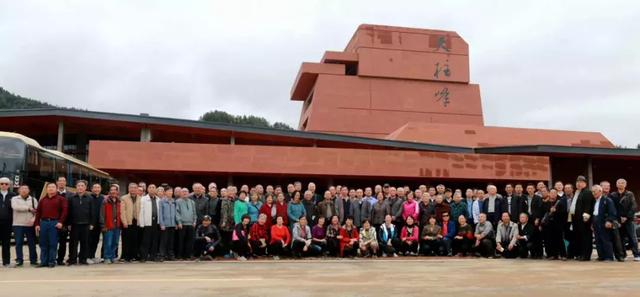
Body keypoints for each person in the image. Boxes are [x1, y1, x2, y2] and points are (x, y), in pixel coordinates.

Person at [35, 182, 68, 268]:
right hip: (43, 223)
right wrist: (37, 224)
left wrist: (60, 222)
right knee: (43, 243)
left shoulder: (61, 199)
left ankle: (51, 262)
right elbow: (38, 213)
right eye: (49, 187)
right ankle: (43, 262)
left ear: (56, 189)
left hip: (54, 223)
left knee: (53, 243)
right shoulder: (43, 200)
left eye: (53, 187)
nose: (50, 189)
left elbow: (64, 212)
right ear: (46, 189)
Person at [609, 178, 640, 261]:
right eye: (619, 183)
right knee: (620, 238)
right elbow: (612, 208)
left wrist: (626, 217)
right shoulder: (613, 195)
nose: (621, 184)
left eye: (623, 183)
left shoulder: (629, 194)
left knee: (632, 237)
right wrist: (619, 218)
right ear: (616, 185)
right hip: (618, 220)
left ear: (625, 185)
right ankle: (623, 254)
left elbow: (633, 206)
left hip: (628, 219)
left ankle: (636, 254)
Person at [67, 180, 95, 265]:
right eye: (78, 185)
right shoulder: (71, 198)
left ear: (85, 187)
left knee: (85, 243)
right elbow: (69, 211)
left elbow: (92, 212)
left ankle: (83, 259)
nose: (80, 187)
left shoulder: (90, 198)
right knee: (73, 243)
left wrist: (92, 223)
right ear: (76, 187)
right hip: (74, 224)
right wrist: (68, 223)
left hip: (86, 224)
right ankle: (72, 260)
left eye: (82, 186)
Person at [11, 184, 38, 267]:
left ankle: (33, 260)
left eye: (26, 188)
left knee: (32, 243)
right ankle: (19, 260)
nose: (24, 190)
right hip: (18, 224)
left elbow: (37, 212)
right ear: (19, 190)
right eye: (22, 189)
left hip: (30, 225)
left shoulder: (33, 200)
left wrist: (33, 220)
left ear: (29, 190)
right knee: (18, 243)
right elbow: (15, 207)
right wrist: (28, 208)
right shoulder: (14, 199)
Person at [570, 176, 595, 261]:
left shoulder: (587, 192)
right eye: (577, 182)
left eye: (581, 182)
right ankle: (580, 254)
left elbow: (588, 206)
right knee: (579, 237)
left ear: (585, 183)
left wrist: (586, 217)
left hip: (584, 219)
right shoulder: (577, 192)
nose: (578, 184)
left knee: (586, 237)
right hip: (576, 219)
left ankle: (586, 255)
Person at [591, 185, 618, 261]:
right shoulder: (594, 201)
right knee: (598, 239)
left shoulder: (607, 200)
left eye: (595, 191)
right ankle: (601, 256)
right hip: (596, 222)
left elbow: (612, 212)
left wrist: (609, 221)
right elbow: (594, 212)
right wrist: (592, 223)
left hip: (604, 222)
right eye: (592, 191)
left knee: (606, 239)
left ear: (600, 191)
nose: (593, 193)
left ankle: (609, 256)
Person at [541, 189, 566, 260]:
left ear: (556, 194)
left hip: (557, 224)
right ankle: (551, 255)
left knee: (559, 240)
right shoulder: (546, 203)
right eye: (551, 193)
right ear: (549, 194)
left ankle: (563, 255)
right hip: (548, 225)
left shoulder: (560, 203)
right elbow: (543, 213)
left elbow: (564, 214)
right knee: (549, 240)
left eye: (554, 193)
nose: (553, 194)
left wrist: (556, 211)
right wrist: (549, 210)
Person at [139, 184, 161, 262]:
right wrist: (142, 223)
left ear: (156, 190)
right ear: (148, 189)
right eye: (150, 188)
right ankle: (143, 256)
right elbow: (141, 212)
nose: (152, 189)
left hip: (156, 222)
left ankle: (153, 256)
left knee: (155, 240)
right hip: (147, 222)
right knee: (145, 241)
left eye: (153, 188)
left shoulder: (158, 199)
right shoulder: (143, 199)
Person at [100, 184, 122, 264]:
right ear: (109, 192)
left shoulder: (119, 201)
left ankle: (112, 257)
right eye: (111, 190)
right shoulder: (105, 201)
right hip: (108, 225)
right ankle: (107, 257)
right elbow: (102, 214)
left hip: (117, 225)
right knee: (107, 242)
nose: (113, 191)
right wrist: (103, 225)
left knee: (115, 242)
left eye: (115, 190)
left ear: (117, 192)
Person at [120, 183, 141, 262]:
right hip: (127, 221)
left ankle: (134, 255)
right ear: (129, 189)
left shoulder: (140, 198)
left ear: (137, 189)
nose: (133, 189)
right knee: (126, 240)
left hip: (136, 221)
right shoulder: (124, 198)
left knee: (135, 239)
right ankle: (125, 256)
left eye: (135, 188)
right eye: (131, 188)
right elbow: (122, 211)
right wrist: (124, 222)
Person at [522, 184, 544, 258]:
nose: (530, 190)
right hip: (528, 220)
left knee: (538, 237)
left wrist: (538, 218)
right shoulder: (525, 198)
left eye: (531, 188)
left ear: (534, 189)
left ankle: (540, 254)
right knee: (531, 237)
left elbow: (540, 209)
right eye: (528, 188)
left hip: (535, 220)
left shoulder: (538, 198)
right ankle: (533, 253)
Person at [176, 188, 197, 260]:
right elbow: (177, 213)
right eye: (183, 192)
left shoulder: (192, 202)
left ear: (188, 193)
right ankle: (180, 256)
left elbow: (194, 213)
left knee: (189, 241)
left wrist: (194, 221)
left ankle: (187, 256)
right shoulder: (178, 201)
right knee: (181, 241)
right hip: (182, 224)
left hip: (191, 224)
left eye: (186, 191)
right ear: (181, 193)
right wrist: (179, 222)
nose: (185, 193)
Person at [158, 186, 177, 261]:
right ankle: (162, 255)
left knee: (171, 241)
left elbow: (175, 213)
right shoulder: (162, 201)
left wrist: (175, 223)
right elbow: (160, 214)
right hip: (165, 225)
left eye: (171, 191)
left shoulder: (173, 201)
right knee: (163, 241)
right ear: (165, 192)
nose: (170, 193)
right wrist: (162, 224)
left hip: (172, 224)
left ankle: (170, 255)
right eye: (169, 191)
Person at [88, 183, 103, 262]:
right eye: (95, 187)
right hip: (90, 224)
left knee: (95, 240)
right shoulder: (89, 197)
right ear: (92, 189)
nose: (96, 189)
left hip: (99, 224)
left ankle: (92, 255)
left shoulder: (102, 198)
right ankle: (87, 256)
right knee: (88, 240)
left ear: (100, 189)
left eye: (98, 187)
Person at [219, 188, 235, 258]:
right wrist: (224, 222)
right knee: (225, 239)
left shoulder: (234, 201)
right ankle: (225, 253)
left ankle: (230, 252)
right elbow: (224, 212)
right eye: (230, 191)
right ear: (227, 192)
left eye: (232, 192)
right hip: (226, 223)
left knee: (231, 239)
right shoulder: (224, 200)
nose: (231, 193)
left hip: (232, 223)